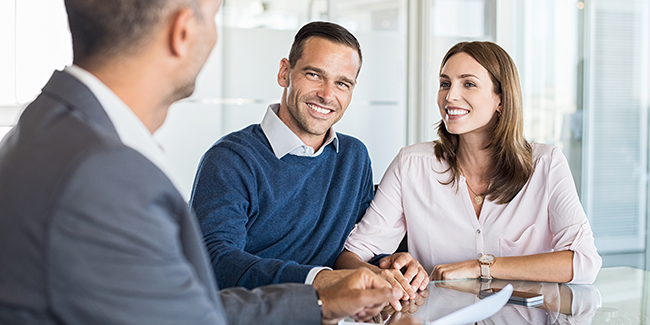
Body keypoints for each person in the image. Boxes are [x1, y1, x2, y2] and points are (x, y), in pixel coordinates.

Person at [0, 0, 420, 324]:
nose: (328, 92)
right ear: (183, 31)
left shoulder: (52, 135)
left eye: (343, 82)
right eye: (215, 15)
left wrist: (379, 267)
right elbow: (193, 309)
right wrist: (318, 291)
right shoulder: (106, 174)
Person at [190, 21, 428, 297]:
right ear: (284, 73)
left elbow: (352, 250)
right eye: (314, 74)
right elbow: (215, 261)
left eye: (342, 83)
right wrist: (319, 280)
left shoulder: (353, 157)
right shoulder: (230, 160)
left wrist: (389, 267)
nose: (327, 94)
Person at [336, 41, 602, 284]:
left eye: (469, 84)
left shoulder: (545, 164)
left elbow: (584, 263)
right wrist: (386, 277)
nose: (450, 96)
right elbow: (349, 257)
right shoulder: (411, 165)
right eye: (445, 84)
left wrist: (481, 267)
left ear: (501, 98)